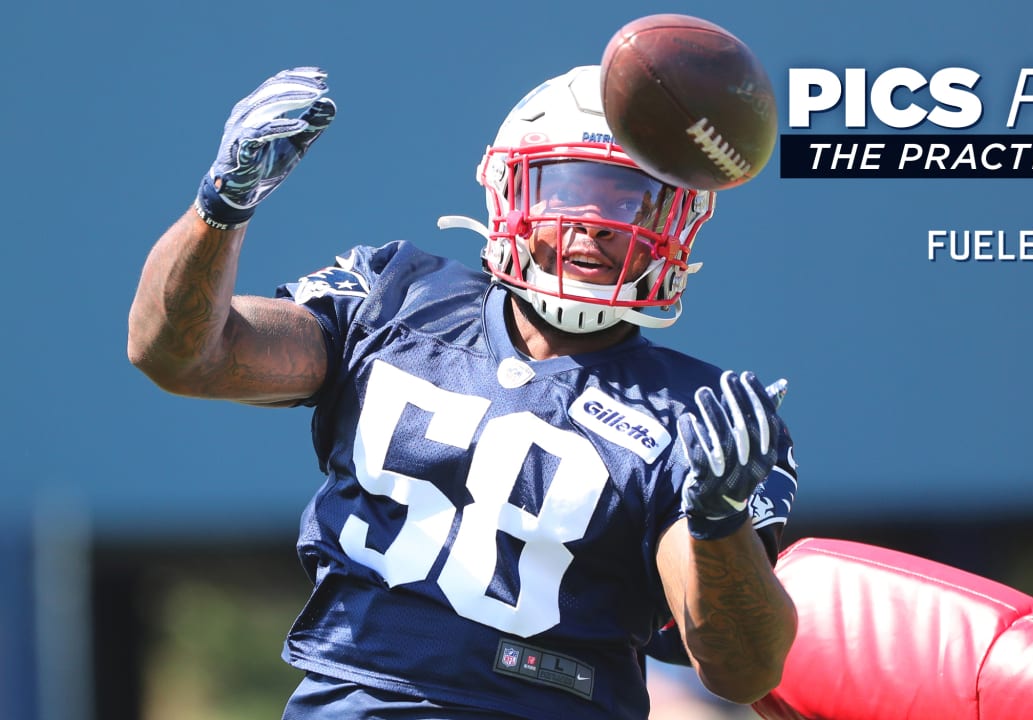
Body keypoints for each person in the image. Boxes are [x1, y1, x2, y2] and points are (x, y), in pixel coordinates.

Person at [127, 64, 799, 720]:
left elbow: (742, 671)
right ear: (513, 188)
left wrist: (721, 524)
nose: (598, 221)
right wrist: (222, 206)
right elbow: (186, 357)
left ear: (679, 219)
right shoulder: (398, 297)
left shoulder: (697, 415)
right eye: (573, 189)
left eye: (631, 197)